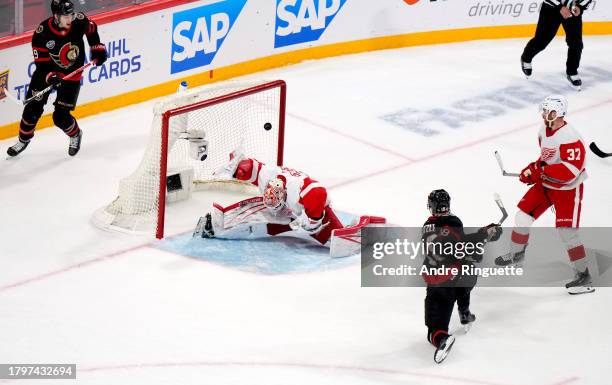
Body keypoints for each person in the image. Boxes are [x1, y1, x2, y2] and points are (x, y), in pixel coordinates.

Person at [495, 95, 593, 295]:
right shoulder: (543, 130)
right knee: (522, 216)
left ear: (558, 113)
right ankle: (517, 254)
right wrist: (532, 169)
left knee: (567, 233)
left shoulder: (570, 137)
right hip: (547, 185)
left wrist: (540, 173)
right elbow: (546, 159)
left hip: (568, 189)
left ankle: (584, 275)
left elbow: (570, 171)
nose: (544, 114)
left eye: (548, 111)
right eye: (544, 110)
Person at [6, 0, 107, 157]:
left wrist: (97, 48)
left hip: (72, 75)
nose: (70, 18)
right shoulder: (42, 33)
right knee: (31, 111)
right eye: (66, 16)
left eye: (71, 14)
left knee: (60, 117)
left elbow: (92, 30)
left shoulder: (79, 21)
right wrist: (51, 76)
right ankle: (23, 140)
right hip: (46, 74)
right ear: (55, 16)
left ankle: (75, 135)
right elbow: (41, 64)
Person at [194, 151, 344, 246]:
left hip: (309, 211)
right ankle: (213, 224)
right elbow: (251, 167)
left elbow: (318, 193)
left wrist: (313, 220)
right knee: (255, 208)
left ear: (284, 194)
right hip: (290, 212)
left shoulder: (299, 189)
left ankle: (365, 230)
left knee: (340, 239)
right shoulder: (268, 177)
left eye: (276, 205)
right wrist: (236, 169)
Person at [421, 189, 502, 364]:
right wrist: (484, 234)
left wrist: (482, 235)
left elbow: (455, 246)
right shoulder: (453, 221)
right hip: (450, 281)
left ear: (431, 206)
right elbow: (461, 247)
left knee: (434, 330)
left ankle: (444, 335)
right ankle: (464, 312)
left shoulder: (426, 224)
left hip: (434, 281)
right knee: (468, 270)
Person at [520, 0, 593, 89]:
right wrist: (560, 7)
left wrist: (580, 7)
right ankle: (526, 58)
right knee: (542, 40)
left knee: (576, 43)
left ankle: (572, 71)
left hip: (571, 9)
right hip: (551, 8)